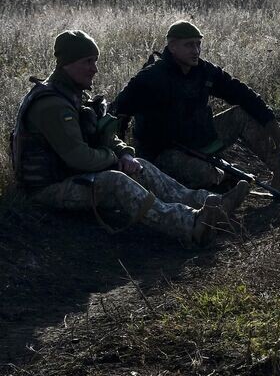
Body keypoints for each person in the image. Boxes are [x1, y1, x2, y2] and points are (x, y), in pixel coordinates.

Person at [10, 30, 251, 245]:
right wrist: (114, 160)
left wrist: (125, 153)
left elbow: (104, 135)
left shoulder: (73, 95)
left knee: (140, 167)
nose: (94, 68)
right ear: (67, 64)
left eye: (95, 61)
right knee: (117, 181)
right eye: (87, 62)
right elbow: (79, 158)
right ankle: (191, 225)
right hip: (48, 189)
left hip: (73, 176)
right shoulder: (53, 105)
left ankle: (210, 202)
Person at [113, 20, 280, 196]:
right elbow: (117, 112)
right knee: (203, 173)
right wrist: (122, 156)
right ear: (172, 47)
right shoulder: (149, 78)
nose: (196, 51)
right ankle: (222, 181)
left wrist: (268, 120)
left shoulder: (204, 71)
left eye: (198, 44)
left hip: (201, 141)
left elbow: (240, 92)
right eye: (189, 45)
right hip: (164, 154)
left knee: (242, 114)